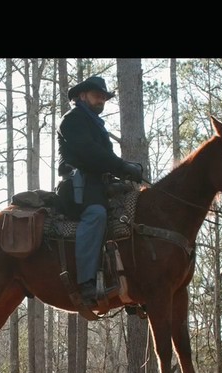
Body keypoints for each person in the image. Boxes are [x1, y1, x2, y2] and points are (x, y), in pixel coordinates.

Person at [56, 76, 143, 306]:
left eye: (104, 96)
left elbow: (103, 159)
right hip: (77, 187)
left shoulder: (97, 125)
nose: (102, 99)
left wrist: (122, 175)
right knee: (96, 215)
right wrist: (123, 166)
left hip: (98, 185)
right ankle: (86, 282)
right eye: (97, 94)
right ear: (82, 95)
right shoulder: (72, 120)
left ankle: (130, 284)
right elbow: (90, 153)